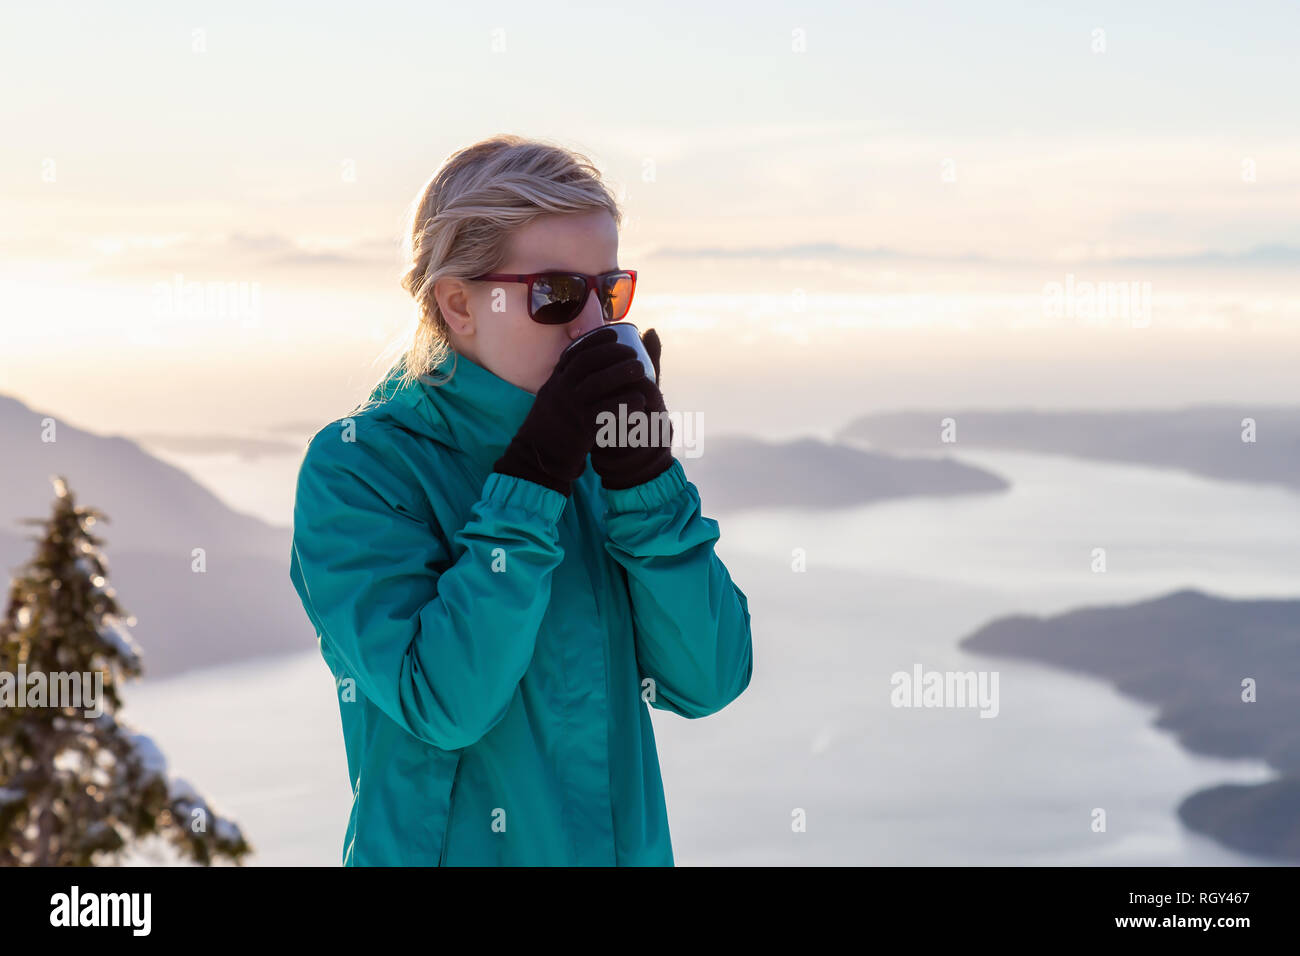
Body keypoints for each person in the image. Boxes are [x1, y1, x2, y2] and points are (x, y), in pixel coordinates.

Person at [288, 134, 753, 866]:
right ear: (457, 304)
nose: (593, 326)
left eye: (610, 292)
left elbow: (709, 679)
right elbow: (444, 704)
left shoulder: (607, 459)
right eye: (557, 295)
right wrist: (533, 481)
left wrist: (645, 486)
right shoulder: (361, 468)